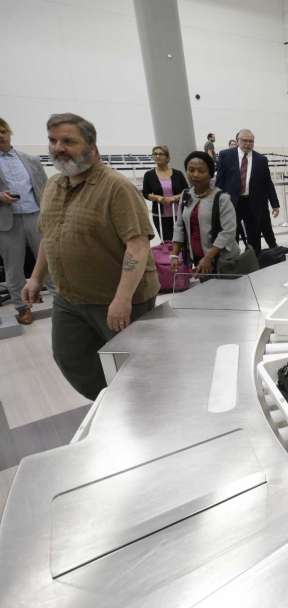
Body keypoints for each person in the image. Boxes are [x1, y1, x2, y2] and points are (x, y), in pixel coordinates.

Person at [21, 113, 159, 400]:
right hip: (69, 298)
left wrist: (122, 299)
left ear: (92, 147)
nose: (58, 147)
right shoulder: (53, 186)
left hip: (116, 298)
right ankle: (111, 405)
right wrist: (35, 277)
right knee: (71, 358)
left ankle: (145, 411)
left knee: (136, 365)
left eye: (68, 141)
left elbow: (137, 246)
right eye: (53, 140)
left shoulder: (116, 187)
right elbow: (50, 236)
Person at [0, 116, 47, 325]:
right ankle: (22, 307)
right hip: (6, 221)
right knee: (13, 267)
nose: (0, 136)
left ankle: (66, 302)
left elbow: (46, 188)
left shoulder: (31, 160)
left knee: (49, 260)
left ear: (9, 133)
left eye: (2, 131)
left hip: (36, 215)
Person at [170, 151, 239, 276]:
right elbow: (179, 226)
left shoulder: (222, 198)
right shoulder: (185, 195)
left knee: (226, 294)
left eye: (201, 171)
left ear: (210, 174)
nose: (195, 175)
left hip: (223, 261)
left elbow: (228, 232)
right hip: (199, 259)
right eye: (191, 170)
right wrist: (174, 254)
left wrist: (208, 258)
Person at [215, 129, 280, 255]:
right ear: (237, 140)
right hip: (231, 203)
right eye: (244, 141)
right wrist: (217, 201)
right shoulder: (226, 155)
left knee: (254, 234)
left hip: (252, 202)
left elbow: (267, 183)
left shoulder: (261, 159)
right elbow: (220, 181)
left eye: (251, 141)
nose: (247, 144)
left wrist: (275, 203)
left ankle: (254, 259)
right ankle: (232, 259)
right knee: (231, 233)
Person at [142, 145, 188, 242]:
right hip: (159, 216)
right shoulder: (149, 175)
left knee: (181, 241)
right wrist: (157, 198)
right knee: (167, 241)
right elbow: (146, 193)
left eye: (161, 154)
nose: (157, 156)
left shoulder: (178, 174)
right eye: (155, 154)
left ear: (167, 157)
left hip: (179, 214)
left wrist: (174, 198)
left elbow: (187, 191)